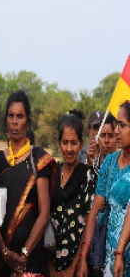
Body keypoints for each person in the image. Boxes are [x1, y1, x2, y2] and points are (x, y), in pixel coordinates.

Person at [0, 90, 53, 277]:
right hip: (2, 260)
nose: (15, 121)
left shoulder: (39, 159)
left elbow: (44, 214)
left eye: (20, 116)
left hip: (31, 261)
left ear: (28, 121)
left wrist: (24, 254)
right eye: (11, 116)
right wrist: (4, 252)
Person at [77, 100, 130, 277]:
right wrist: (84, 256)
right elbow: (94, 211)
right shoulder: (110, 162)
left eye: (122, 125)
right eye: (117, 125)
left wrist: (121, 251)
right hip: (111, 257)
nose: (116, 131)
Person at [50, 110, 96, 277]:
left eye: (74, 143)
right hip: (50, 264)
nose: (69, 149)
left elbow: (88, 223)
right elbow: (43, 219)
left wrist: (73, 268)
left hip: (76, 267)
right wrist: (50, 268)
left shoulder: (88, 176)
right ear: (59, 143)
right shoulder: (52, 173)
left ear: (81, 143)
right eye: (65, 142)